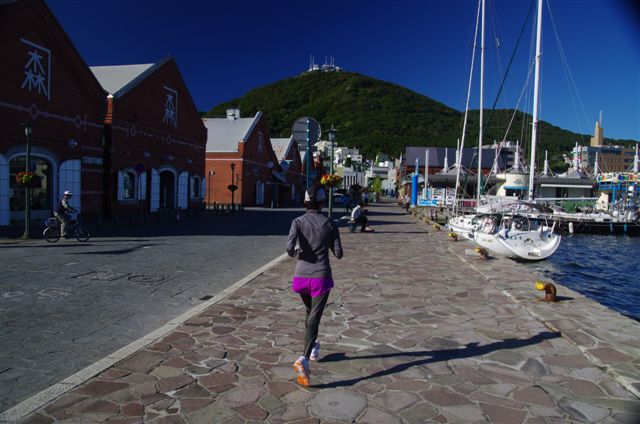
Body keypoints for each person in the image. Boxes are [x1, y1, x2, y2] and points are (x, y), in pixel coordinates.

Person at [286, 186, 343, 386]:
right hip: (321, 277)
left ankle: (314, 346)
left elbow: (289, 249)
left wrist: (300, 252)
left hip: (300, 277)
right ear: (321, 202)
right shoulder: (330, 223)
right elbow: (339, 253)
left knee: (310, 312)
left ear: (305, 203)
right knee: (315, 318)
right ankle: (303, 358)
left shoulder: (297, 222)